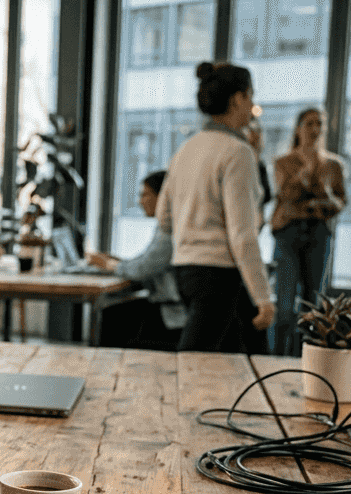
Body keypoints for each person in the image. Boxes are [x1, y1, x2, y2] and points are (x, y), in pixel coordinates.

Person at [157, 62, 274, 354]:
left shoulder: (187, 148)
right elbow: (242, 234)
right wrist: (264, 297)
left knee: (237, 363)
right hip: (219, 274)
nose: (252, 105)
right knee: (196, 363)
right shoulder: (237, 152)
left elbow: (164, 218)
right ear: (237, 99)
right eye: (250, 96)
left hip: (185, 271)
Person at [269, 108, 347, 356]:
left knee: (314, 301)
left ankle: (309, 359)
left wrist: (323, 195)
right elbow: (285, 196)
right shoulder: (283, 162)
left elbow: (340, 202)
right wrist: (304, 171)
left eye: (319, 123)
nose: (315, 128)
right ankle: (278, 358)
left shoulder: (334, 165)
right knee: (285, 302)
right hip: (288, 232)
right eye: (309, 123)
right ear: (298, 128)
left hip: (318, 233)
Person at [86, 170, 185, 351]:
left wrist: (109, 264)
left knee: (111, 314)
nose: (140, 201)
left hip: (172, 314)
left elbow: (144, 268)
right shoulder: (168, 226)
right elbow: (148, 260)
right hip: (166, 307)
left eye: (145, 194)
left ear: (163, 196)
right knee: (112, 309)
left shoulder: (170, 229)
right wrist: (119, 262)